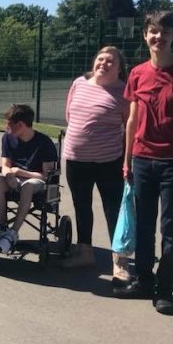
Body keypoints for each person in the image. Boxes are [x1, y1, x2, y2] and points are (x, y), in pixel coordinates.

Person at [115, 11, 173, 315]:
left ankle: (164, 288)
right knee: (143, 226)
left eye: (165, 32)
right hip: (142, 160)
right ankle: (144, 280)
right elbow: (131, 120)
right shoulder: (137, 73)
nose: (159, 37)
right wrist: (127, 159)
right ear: (145, 35)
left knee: (171, 229)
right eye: (153, 31)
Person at [62, 46, 130, 276]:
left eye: (111, 61)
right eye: (101, 59)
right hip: (76, 160)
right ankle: (85, 253)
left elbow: (130, 127)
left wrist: (127, 160)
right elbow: (70, 115)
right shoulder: (79, 83)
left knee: (114, 210)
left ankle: (119, 261)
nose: (104, 63)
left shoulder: (124, 91)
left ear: (120, 69)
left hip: (108, 162)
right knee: (81, 206)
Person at [0, 104, 58, 254]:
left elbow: (46, 175)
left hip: (36, 181)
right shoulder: (7, 138)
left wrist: (21, 172)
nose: (6, 127)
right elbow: (5, 165)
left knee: (27, 186)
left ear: (21, 125)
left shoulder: (44, 142)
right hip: (15, 178)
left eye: (9, 124)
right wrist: (8, 174)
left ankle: (12, 234)